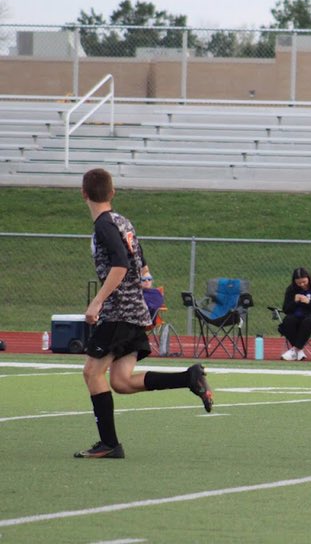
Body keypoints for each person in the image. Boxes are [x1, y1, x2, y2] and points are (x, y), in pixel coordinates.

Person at [76, 168, 212, 459]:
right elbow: (141, 265)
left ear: (84, 193)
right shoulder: (123, 222)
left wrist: (97, 301)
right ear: (112, 193)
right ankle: (189, 377)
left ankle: (109, 443)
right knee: (121, 381)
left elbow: (121, 264)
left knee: (92, 371)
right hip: (135, 311)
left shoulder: (103, 225)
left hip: (119, 311)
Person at [278, 267, 311, 361]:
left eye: (304, 282)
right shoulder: (291, 289)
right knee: (288, 321)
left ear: (308, 278)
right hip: (297, 315)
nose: (302, 285)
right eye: (299, 283)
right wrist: (295, 302)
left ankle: (295, 349)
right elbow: (286, 309)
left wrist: (308, 302)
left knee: (308, 322)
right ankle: (299, 350)